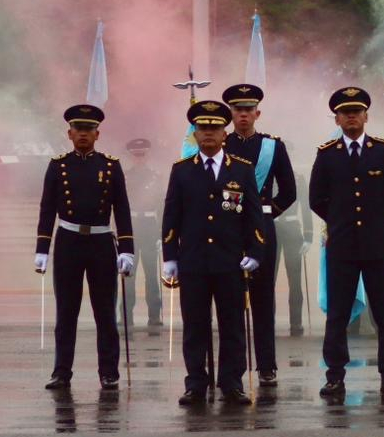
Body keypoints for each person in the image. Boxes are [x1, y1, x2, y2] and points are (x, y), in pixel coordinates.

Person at [161, 100, 265, 406]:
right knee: (195, 326)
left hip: (229, 261)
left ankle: (231, 383)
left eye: (214, 128)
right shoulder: (182, 171)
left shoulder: (242, 170)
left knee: (232, 325)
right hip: (193, 261)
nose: (208, 133)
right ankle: (196, 383)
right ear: (195, 134)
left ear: (224, 133)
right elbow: (172, 215)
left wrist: (255, 250)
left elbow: (253, 216)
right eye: (203, 128)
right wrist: (170, 256)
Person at [309, 86, 384, 397]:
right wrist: (339, 219)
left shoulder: (383, 152)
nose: (351, 116)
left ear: (366, 116)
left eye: (356, 111)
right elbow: (316, 198)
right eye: (345, 112)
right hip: (342, 247)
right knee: (337, 315)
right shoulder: (327, 154)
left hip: (377, 246)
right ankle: (335, 375)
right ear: (337, 119)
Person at [34, 105, 135, 391]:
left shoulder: (110, 166)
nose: (83, 134)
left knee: (105, 312)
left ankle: (109, 372)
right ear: (69, 133)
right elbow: (47, 208)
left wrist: (126, 248)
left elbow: (122, 208)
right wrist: (42, 248)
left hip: (101, 242)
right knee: (66, 311)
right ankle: (61, 371)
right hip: (68, 241)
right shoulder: (58, 165)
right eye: (78, 129)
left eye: (89, 129)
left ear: (97, 134)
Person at [222, 84, 297, 387]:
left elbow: (289, 191)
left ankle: (267, 365)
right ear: (231, 114)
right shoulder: (220, 143)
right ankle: (233, 366)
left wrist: (265, 214)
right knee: (230, 300)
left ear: (257, 113)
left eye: (248, 109)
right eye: (238, 110)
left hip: (262, 230)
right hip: (227, 228)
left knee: (263, 298)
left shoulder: (272, 147)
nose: (243, 114)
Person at [122, 137, 162, 329]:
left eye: (142, 155)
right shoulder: (124, 177)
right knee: (127, 274)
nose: (139, 158)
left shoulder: (156, 177)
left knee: (152, 275)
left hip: (149, 227)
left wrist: (161, 233)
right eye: (136, 155)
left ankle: (154, 316)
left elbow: (162, 205)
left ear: (147, 156)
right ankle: (125, 316)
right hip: (130, 227)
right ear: (132, 156)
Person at [273, 171, 315, 336]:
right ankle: (268, 321)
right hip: (272, 227)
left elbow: (305, 207)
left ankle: (296, 323)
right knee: (268, 280)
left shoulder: (297, 178)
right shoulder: (265, 173)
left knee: (295, 281)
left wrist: (308, 235)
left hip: (292, 228)